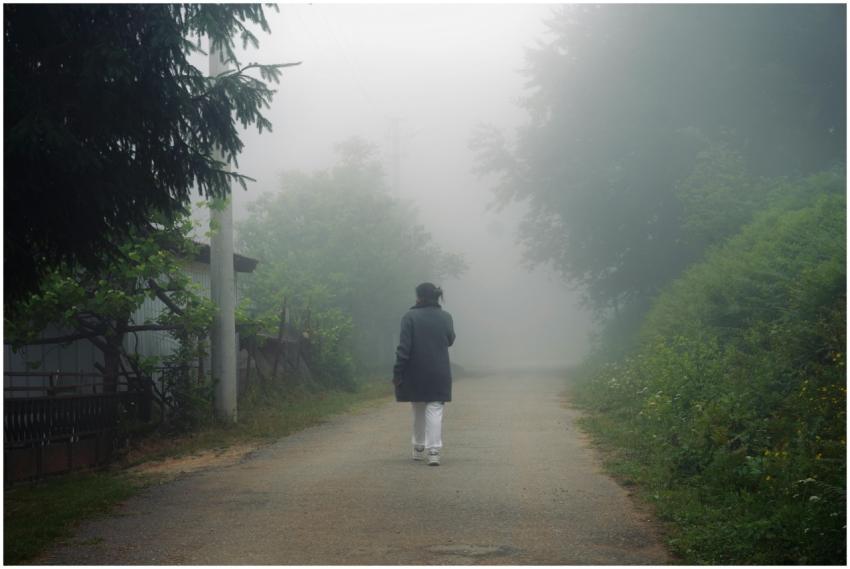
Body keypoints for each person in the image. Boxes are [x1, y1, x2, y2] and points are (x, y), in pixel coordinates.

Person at [393, 282, 456, 466]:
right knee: (435, 408)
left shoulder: (409, 317)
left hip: (415, 371)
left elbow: (403, 348)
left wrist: (398, 372)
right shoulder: (446, 317)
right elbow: (450, 339)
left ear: (419, 297)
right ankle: (434, 451)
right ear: (436, 297)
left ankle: (418, 447)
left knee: (418, 408)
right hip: (439, 370)